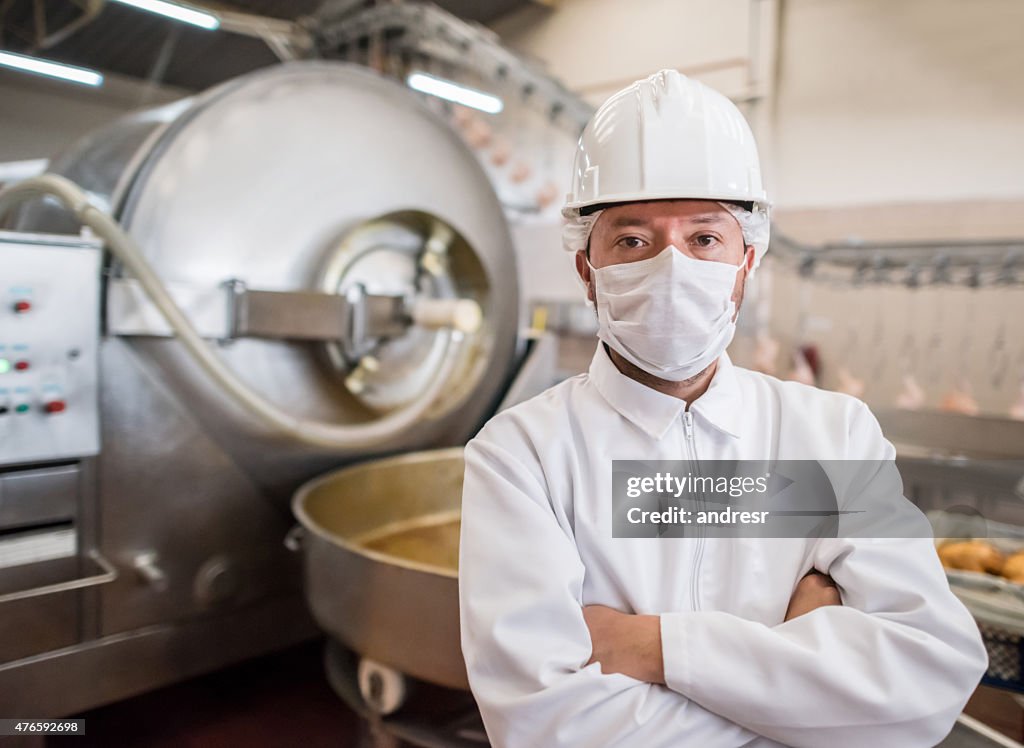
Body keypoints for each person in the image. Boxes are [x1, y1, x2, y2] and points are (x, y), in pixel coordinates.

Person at [458, 69, 987, 747]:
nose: (671, 268)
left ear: (747, 261)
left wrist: (650, 647)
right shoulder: (520, 456)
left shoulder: (832, 438)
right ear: (586, 269)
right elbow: (544, 727)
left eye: (704, 239)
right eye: (632, 241)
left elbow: (927, 682)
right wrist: (801, 689)